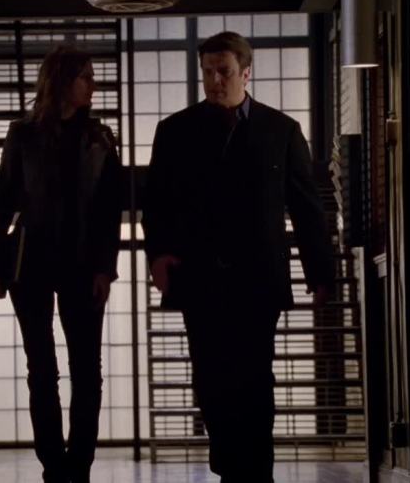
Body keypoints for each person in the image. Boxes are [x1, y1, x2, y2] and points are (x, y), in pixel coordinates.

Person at [142, 31, 334, 482]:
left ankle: (256, 471)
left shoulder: (281, 130)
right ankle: (229, 462)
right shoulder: (175, 131)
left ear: (246, 73)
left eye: (223, 71)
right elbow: (156, 202)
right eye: (207, 72)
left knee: (255, 376)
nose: (214, 81)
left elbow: (306, 206)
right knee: (210, 377)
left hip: (258, 276)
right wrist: (158, 255)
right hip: (199, 275)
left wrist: (320, 272)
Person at [0, 45, 122, 483]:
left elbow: (110, 211)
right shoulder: (22, 134)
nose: (93, 84)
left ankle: (78, 465)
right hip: (32, 262)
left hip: (83, 263)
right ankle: (53, 465)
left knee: (87, 371)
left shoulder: (100, 137)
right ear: (62, 81)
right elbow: (2, 204)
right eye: (86, 76)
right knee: (41, 369)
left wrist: (105, 269)